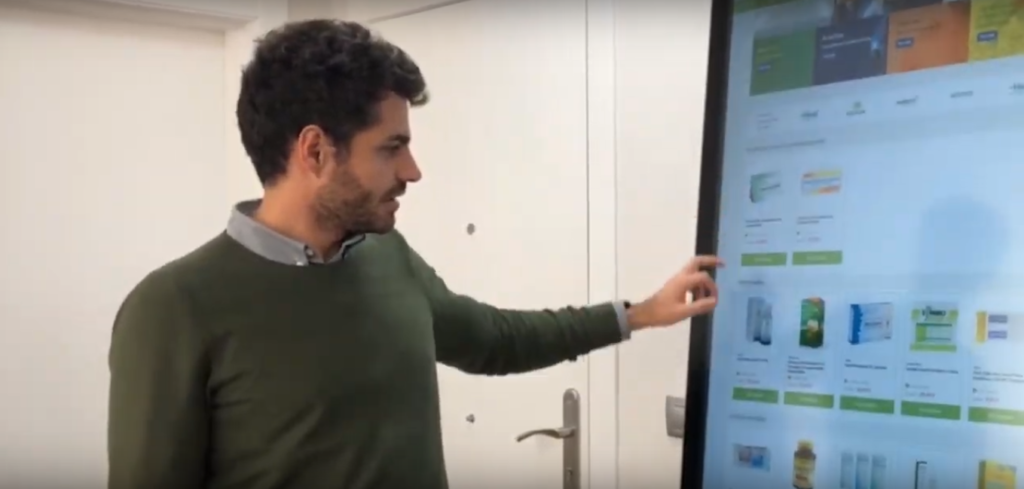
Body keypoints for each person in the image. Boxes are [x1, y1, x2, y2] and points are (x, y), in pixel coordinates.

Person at [106, 19, 722, 489]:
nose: (412, 170)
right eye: (391, 147)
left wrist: (639, 314)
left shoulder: (386, 254)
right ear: (315, 151)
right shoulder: (174, 308)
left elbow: (494, 340)